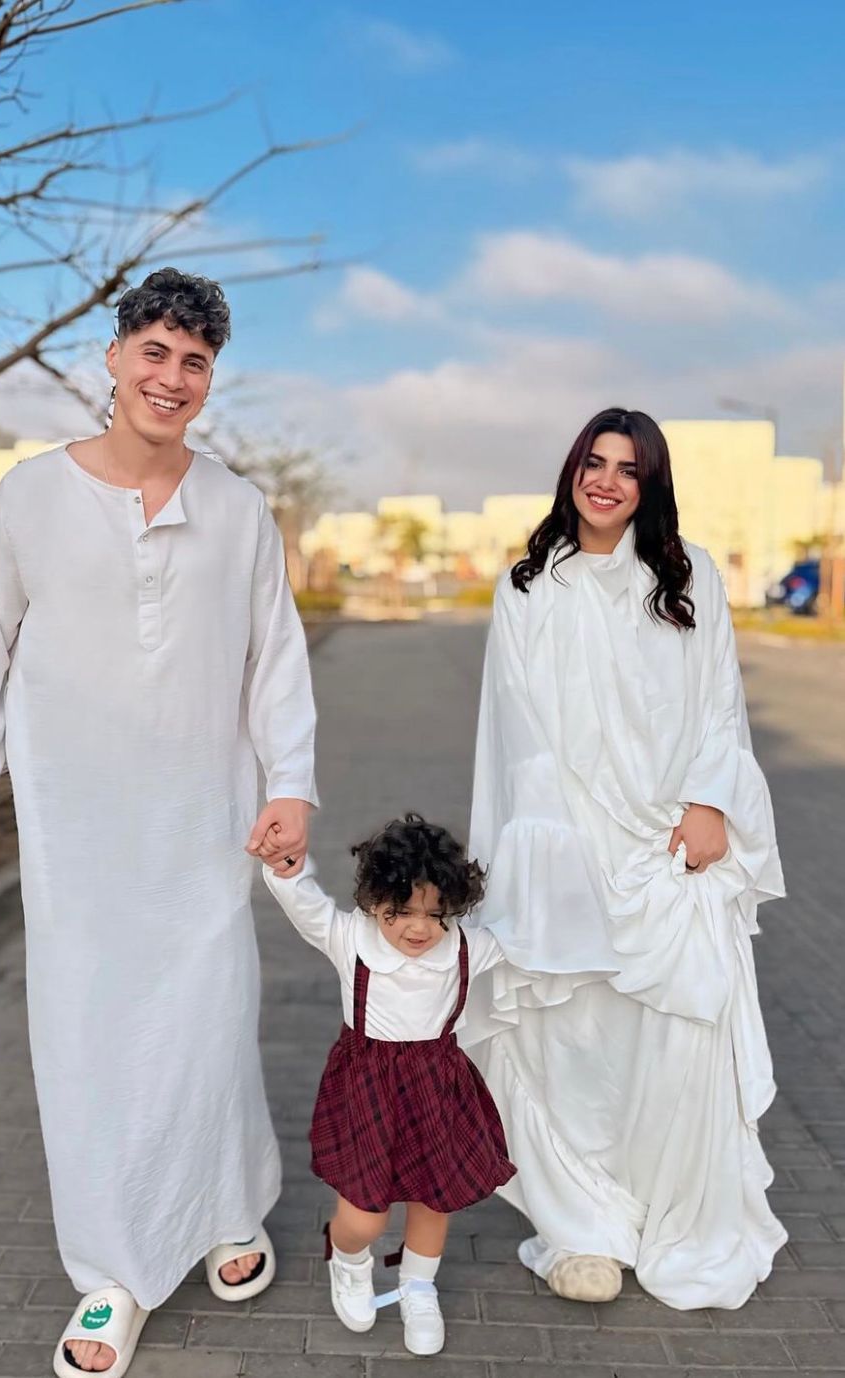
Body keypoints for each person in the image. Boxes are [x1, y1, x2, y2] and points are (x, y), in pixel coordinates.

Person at [0, 268, 318, 1377]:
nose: (171, 377)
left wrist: (290, 785)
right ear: (116, 356)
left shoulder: (238, 509)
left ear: (210, 378)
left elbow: (275, 662)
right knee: (87, 1041)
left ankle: (227, 1206)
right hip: (79, 833)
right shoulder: (32, 497)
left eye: (195, 362)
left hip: (204, 825)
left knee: (210, 1026)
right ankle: (112, 1273)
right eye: (155, 352)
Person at [466, 407, 786, 1311]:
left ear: (651, 485)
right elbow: (517, 731)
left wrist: (712, 802)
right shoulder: (530, 585)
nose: (606, 481)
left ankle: (673, 1215)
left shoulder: (689, 576)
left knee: (675, 1040)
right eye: (594, 462)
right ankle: (584, 1226)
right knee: (570, 1041)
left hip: (670, 847)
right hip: (566, 847)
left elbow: (719, 699)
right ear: (572, 469)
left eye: (628, 468)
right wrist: (548, 857)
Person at [264, 813, 515, 1357]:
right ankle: (348, 1259)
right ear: (373, 903)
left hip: (437, 1089)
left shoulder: (466, 948)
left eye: (434, 913)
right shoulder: (350, 939)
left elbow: (537, 940)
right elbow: (303, 903)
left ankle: (417, 1286)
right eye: (398, 912)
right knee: (364, 1216)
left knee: (433, 1200)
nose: (417, 929)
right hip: (368, 1090)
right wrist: (286, 866)